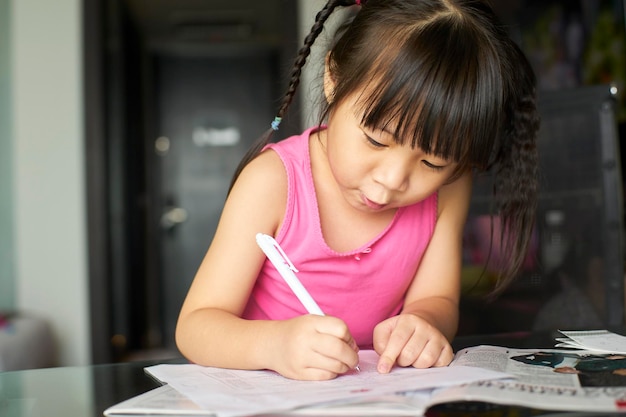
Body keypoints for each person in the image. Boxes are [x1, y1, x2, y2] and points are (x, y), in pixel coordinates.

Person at [175, 0, 540, 381]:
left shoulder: (449, 187)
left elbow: (437, 299)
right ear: (334, 79)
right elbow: (196, 327)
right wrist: (275, 345)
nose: (391, 180)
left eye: (432, 163)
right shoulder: (272, 181)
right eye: (376, 141)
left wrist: (421, 323)